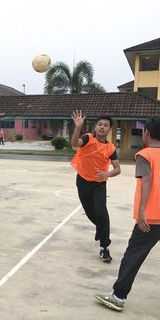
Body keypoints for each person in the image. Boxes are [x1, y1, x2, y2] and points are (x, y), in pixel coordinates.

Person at [95, 118, 160, 318]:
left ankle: (118, 296)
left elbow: (147, 180)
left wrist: (142, 211)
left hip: (152, 217)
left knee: (133, 256)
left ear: (146, 133)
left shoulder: (144, 155)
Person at [70, 110, 121, 262]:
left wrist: (107, 175)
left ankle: (104, 246)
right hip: (83, 181)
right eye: (100, 124)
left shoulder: (110, 148)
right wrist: (78, 127)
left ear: (109, 129)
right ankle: (102, 230)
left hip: (99, 183)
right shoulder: (88, 138)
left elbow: (118, 169)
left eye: (105, 125)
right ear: (96, 126)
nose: (102, 127)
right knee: (91, 213)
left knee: (102, 213)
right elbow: (74, 144)